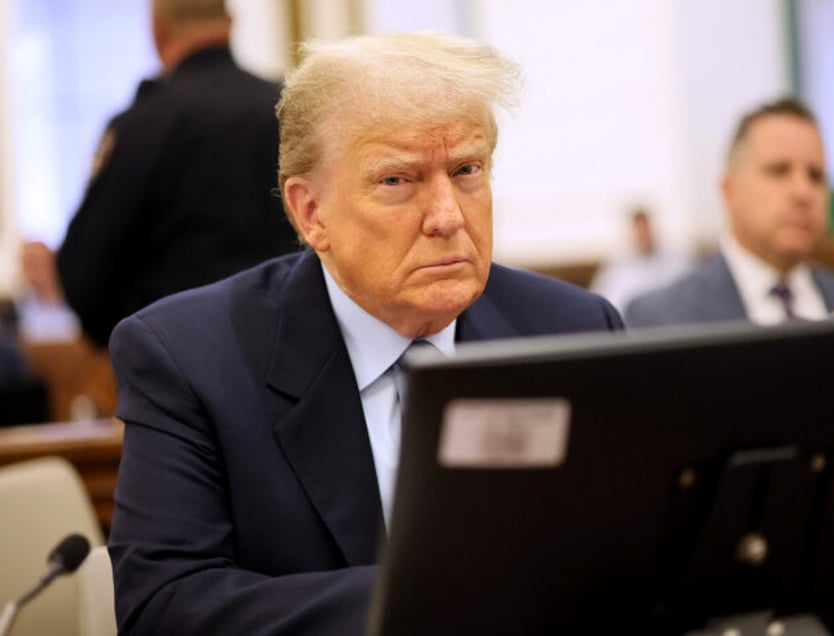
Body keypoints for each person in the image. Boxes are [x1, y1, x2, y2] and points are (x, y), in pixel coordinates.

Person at [107, 32, 624, 635]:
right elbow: (163, 606)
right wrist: (432, 601)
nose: (448, 216)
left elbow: (632, 558)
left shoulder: (572, 331)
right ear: (311, 213)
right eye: (398, 181)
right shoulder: (190, 357)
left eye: (466, 170)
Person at [56, 0, 300, 348]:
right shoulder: (290, 110)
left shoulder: (143, 124)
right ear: (230, 23)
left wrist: (139, 340)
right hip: (294, 351)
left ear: (158, 30)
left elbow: (84, 274)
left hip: (180, 358)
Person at [625, 97, 834, 328]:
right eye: (779, 171)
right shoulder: (662, 318)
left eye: (816, 176)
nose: (803, 192)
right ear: (729, 191)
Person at [589, 207, 692, 312]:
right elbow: (605, 305)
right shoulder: (616, 270)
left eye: (646, 228)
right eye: (639, 230)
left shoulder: (677, 261)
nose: (644, 234)